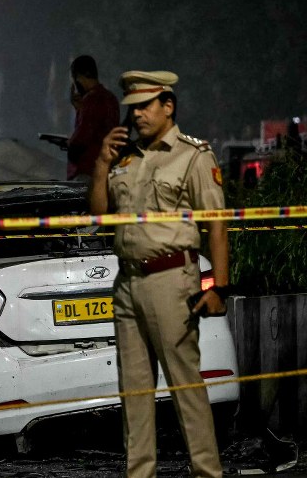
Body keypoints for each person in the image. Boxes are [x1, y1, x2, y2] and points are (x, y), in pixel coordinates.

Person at [89, 70, 228, 478]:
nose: (136, 116)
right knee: (133, 392)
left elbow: (216, 225)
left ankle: (207, 472)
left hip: (172, 280)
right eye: (132, 109)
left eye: (145, 107)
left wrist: (219, 285)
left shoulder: (193, 155)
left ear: (168, 106)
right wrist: (101, 165)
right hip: (128, 282)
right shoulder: (125, 159)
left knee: (185, 386)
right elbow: (100, 216)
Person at [67, 55, 121, 181]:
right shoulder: (111, 98)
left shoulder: (92, 100)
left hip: (87, 170)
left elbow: (83, 136)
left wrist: (71, 145)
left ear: (78, 77)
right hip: (107, 170)